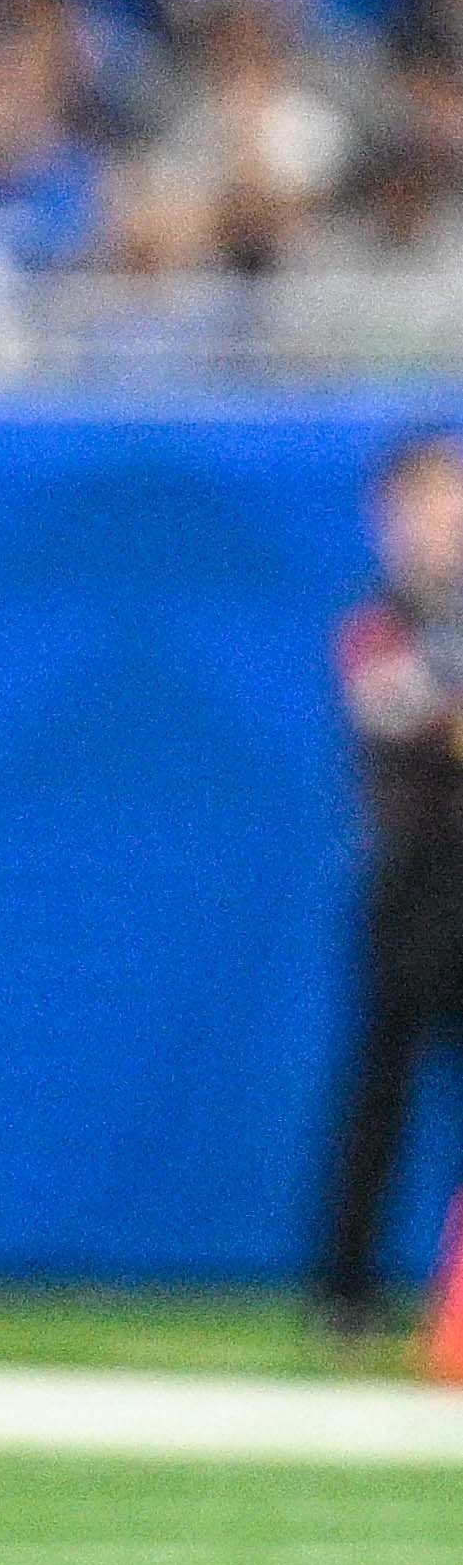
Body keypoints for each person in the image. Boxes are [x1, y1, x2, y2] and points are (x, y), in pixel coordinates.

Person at [319, 430, 463, 1326]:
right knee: (383, 1082)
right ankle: (346, 1286)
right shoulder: (376, 619)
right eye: (424, 504)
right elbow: (400, 713)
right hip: (410, 875)